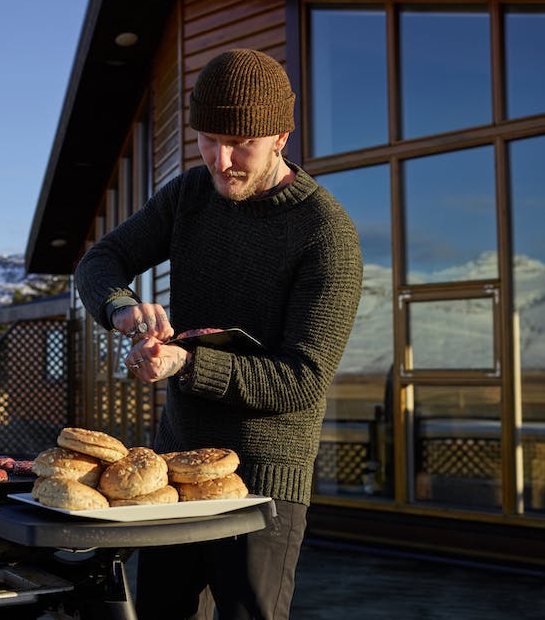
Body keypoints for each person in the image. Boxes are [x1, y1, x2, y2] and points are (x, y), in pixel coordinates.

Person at [74, 48, 363, 619]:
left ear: (280, 136)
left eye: (240, 144)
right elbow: (100, 260)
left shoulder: (326, 234)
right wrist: (123, 310)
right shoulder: (189, 197)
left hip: (262, 486)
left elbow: (300, 380)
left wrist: (184, 364)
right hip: (173, 473)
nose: (220, 159)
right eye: (208, 139)